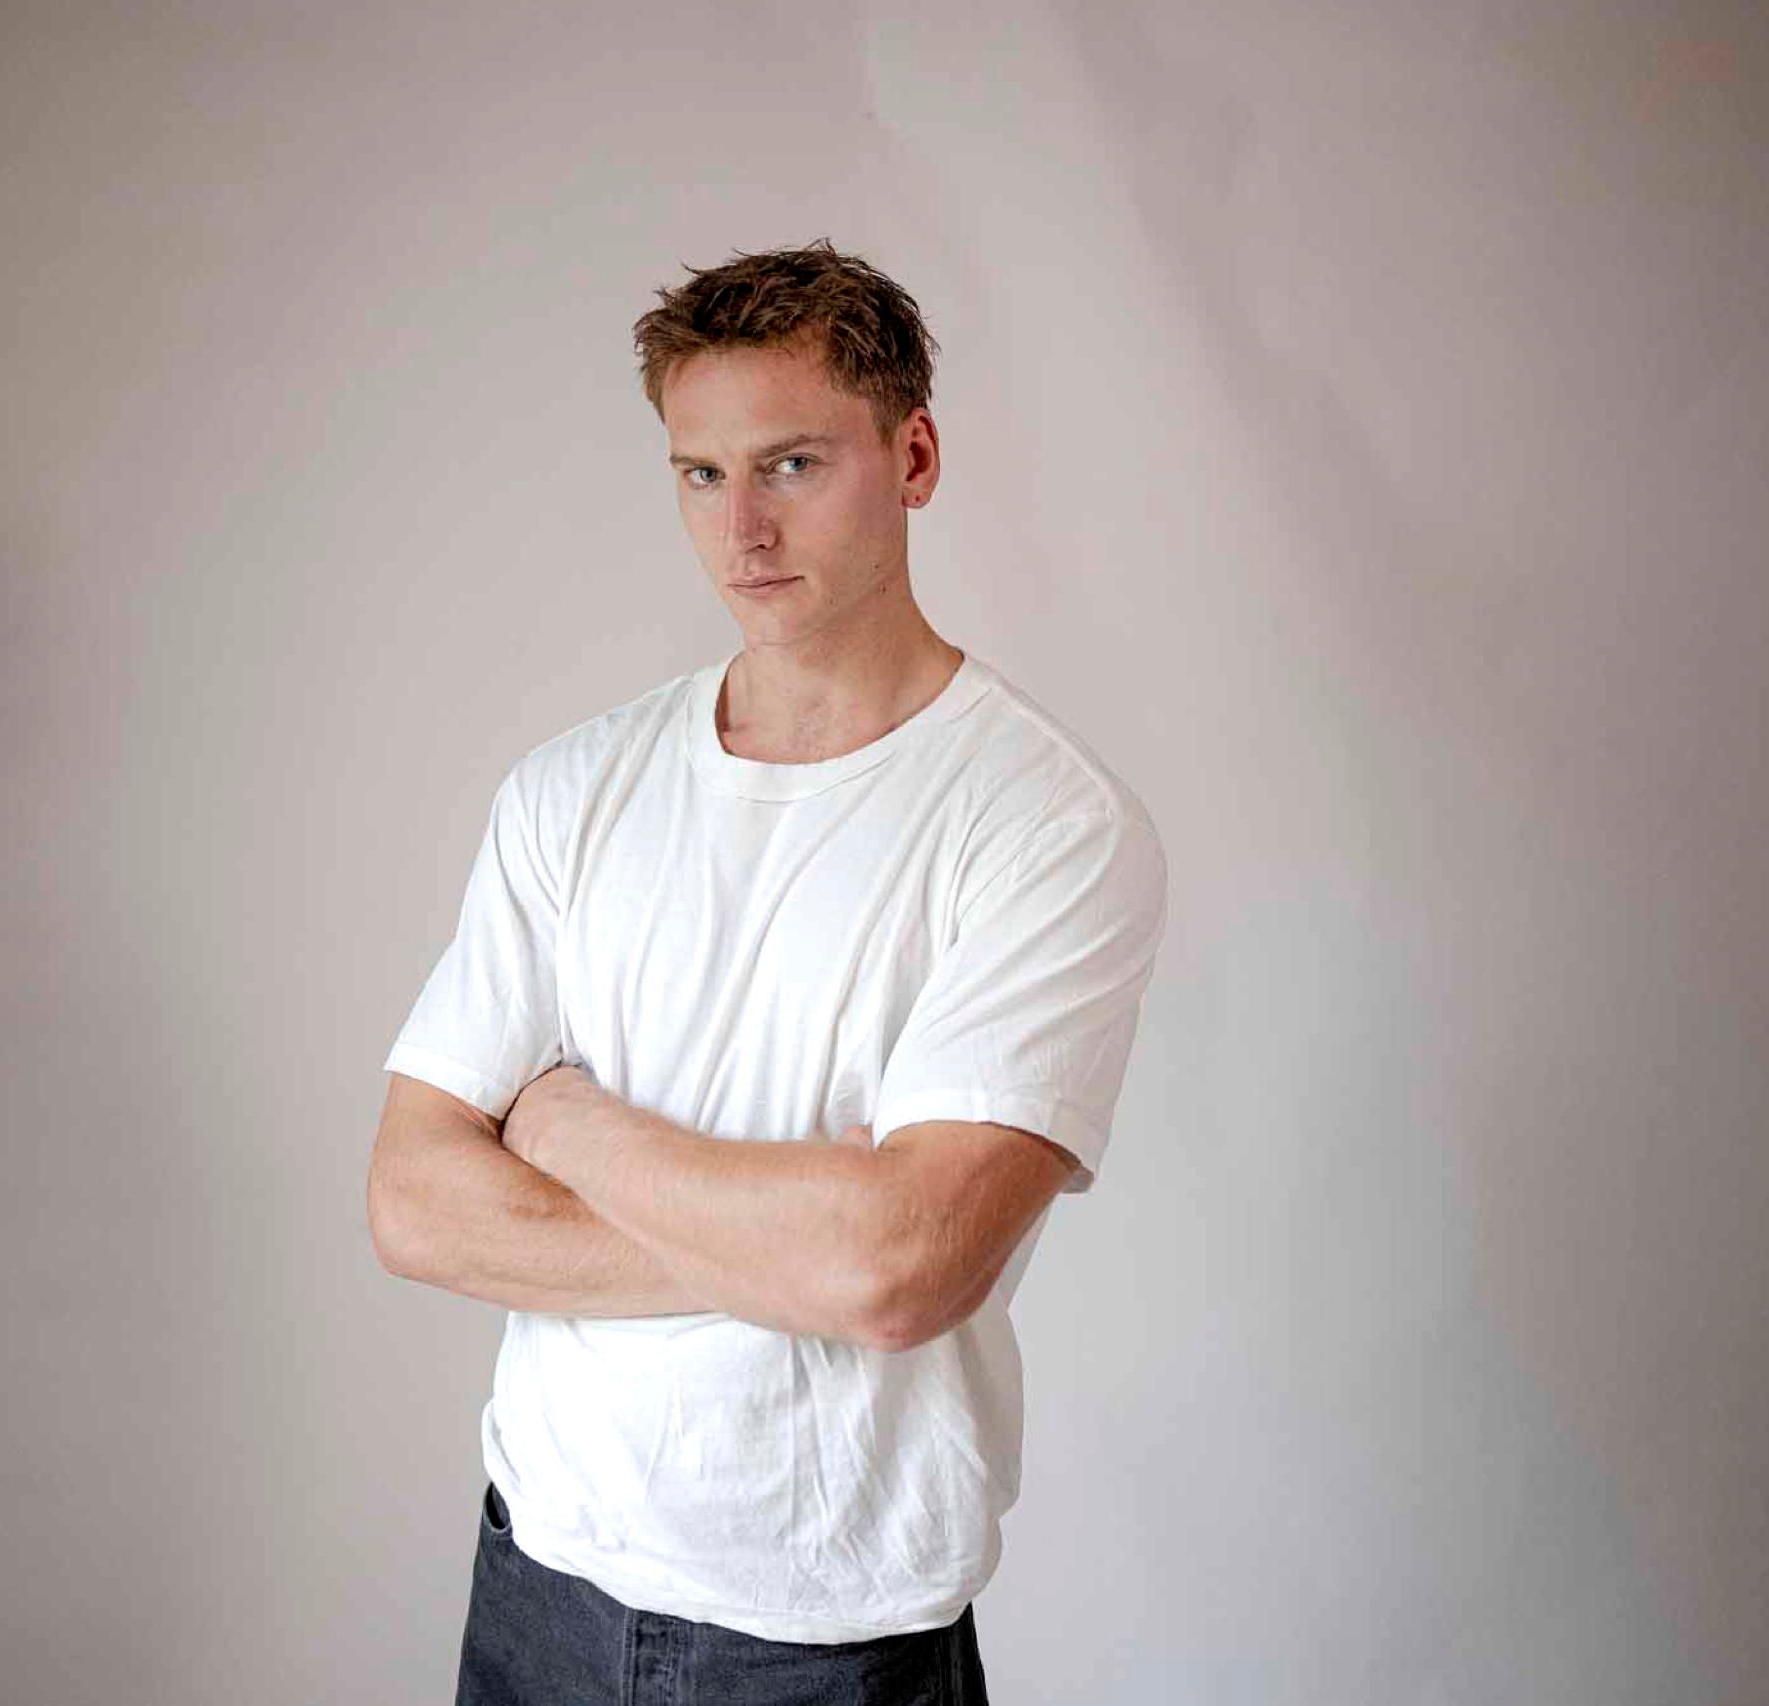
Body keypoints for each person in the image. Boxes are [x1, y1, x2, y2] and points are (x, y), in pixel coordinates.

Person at [368, 239, 1170, 1705]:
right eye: (700, 473)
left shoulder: (1044, 822)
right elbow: (413, 1204)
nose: (741, 528)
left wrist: (565, 1126)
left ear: (913, 456)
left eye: (792, 464)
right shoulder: (574, 789)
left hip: (820, 1638)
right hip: (535, 1582)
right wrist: (797, 1234)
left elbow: (896, 1269)